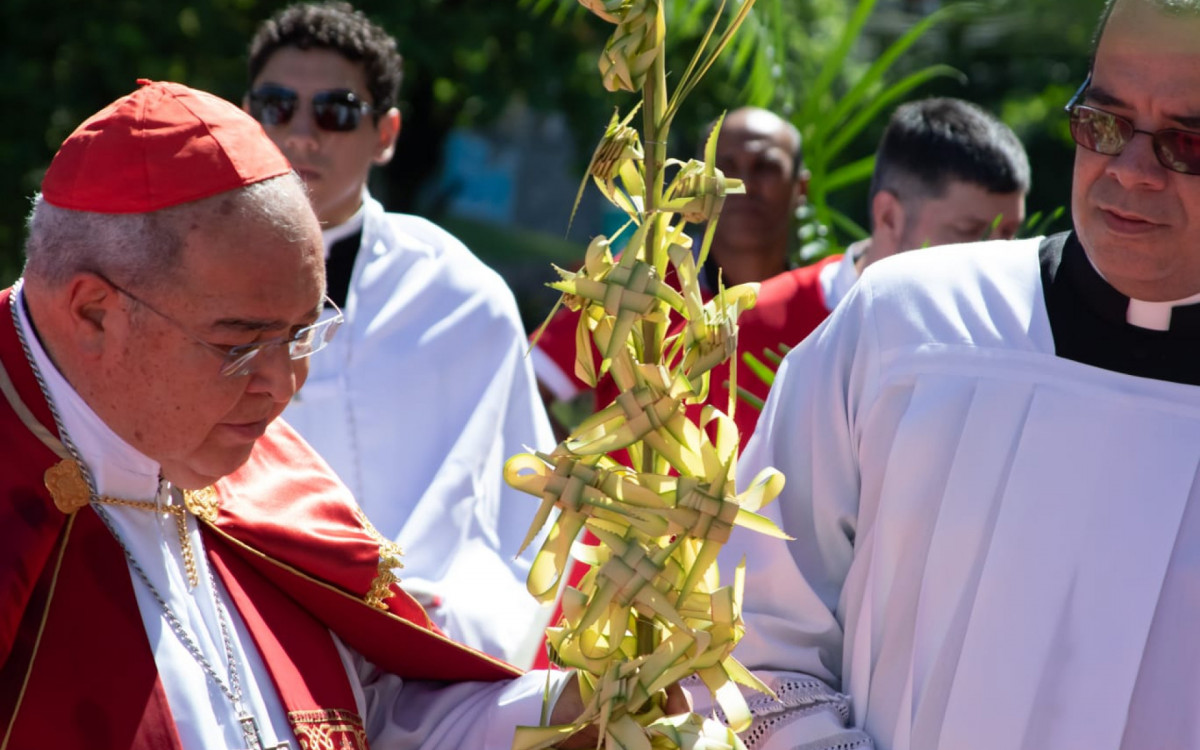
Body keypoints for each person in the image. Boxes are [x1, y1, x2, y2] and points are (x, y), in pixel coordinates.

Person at [0, 79, 580, 750]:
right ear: (93, 313)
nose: (283, 386)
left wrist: (580, 708)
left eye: (305, 334)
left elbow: (383, 718)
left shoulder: (261, 472)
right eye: (240, 344)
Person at [715, 0, 1200, 747]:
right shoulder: (908, 323)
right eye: (1103, 124)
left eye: (1186, 143)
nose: (1131, 172)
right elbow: (751, 626)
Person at [243, 1, 556, 667]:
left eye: (334, 111)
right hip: (241, 635)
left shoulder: (463, 302)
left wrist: (450, 618)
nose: (300, 134)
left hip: (423, 648)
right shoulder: (177, 280)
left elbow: (521, 518)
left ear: (384, 132)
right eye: (276, 106)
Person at [730, 96, 1030, 445]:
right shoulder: (744, 330)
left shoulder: (1011, 347)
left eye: (1007, 233)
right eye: (968, 231)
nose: (993, 256)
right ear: (889, 216)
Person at [531, 106, 808, 436]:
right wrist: (574, 479)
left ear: (799, 189)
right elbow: (524, 384)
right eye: (725, 167)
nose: (743, 183)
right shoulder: (634, 282)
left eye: (766, 167)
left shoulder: (825, 309)